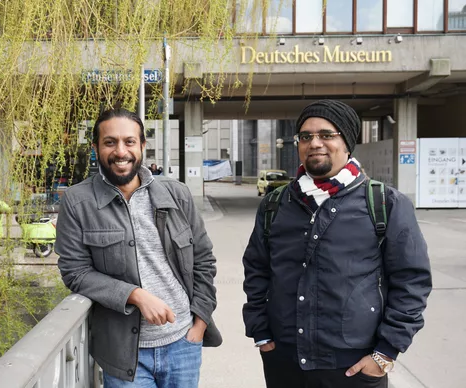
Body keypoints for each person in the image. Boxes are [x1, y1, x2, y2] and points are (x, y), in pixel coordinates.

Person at [242, 100, 432, 388]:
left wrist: (385, 353)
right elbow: (257, 268)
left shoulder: (386, 203)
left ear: (346, 141)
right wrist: (261, 332)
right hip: (285, 360)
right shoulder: (275, 204)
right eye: (305, 136)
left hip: (354, 365)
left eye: (326, 135)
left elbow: (412, 281)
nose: (314, 143)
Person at [56, 108, 221, 387]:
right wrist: (135, 295)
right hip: (124, 354)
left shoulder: (176, 193)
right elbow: (75, 272)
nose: (121, 151)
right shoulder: (77, 201)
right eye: (110, 142)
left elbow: (203, 260)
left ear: (142, 146)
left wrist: (200, 323)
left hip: (183, 343)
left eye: (129, 142)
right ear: (96, 147)